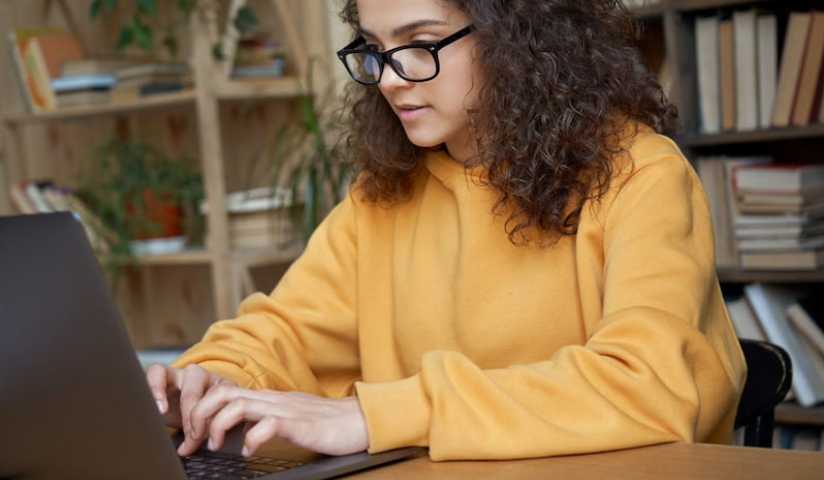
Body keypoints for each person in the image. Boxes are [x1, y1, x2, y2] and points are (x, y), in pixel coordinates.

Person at [147, 0, 746, 461]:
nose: (390, 78)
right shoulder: (382, 197)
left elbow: (649, 387)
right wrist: (207, 384)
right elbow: (285, 335)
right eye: (375, 49)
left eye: (421, 43)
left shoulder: (641, 174)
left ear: (517, 39)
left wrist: (374, 417)